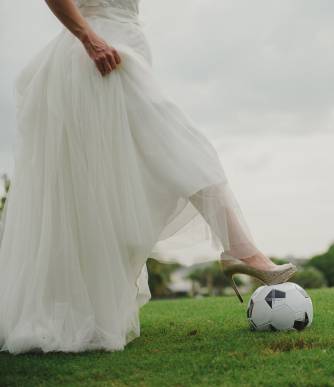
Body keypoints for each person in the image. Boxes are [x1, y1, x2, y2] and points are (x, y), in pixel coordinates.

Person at [0, 0, 295, 354]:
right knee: (185, 150)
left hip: (129, 44)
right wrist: (89, 39)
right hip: (101, 55)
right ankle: (246, 253)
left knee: (114, 191)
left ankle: (91, 306)